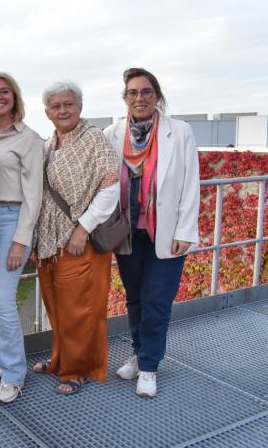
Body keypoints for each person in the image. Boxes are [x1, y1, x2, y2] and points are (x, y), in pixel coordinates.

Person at [104, 68, 200, 398]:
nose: (140, 98)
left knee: (157, 301)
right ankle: (139, 352)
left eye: (146, 91)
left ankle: (149, 367)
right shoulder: (112, 134)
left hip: (167, 232)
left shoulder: (180, 132)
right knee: (134, 299)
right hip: (127, 232)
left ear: (157, 96)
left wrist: (185, 230)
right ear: (125, 98)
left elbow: (191, 184)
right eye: (133, 92)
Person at [32, 81, 120, 395]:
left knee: (79, 309)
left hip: (79, 240)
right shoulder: (48, 144)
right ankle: (60, 359)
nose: (63, 111)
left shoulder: (93, 138)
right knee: (56, 306)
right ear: (47, 112)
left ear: (80, 107)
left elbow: (110, 187)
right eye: (56, 106)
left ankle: (78, 369)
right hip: (50, 242)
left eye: (68, 104)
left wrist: (83, 229)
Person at [0, 73, 44, 403]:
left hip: (10, 220)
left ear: (14, 97)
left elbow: (34, 194)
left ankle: (14, 374)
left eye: (5, 91)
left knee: (3, 297)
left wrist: (21, 239)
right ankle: (4, 357)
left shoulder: (29, 139)